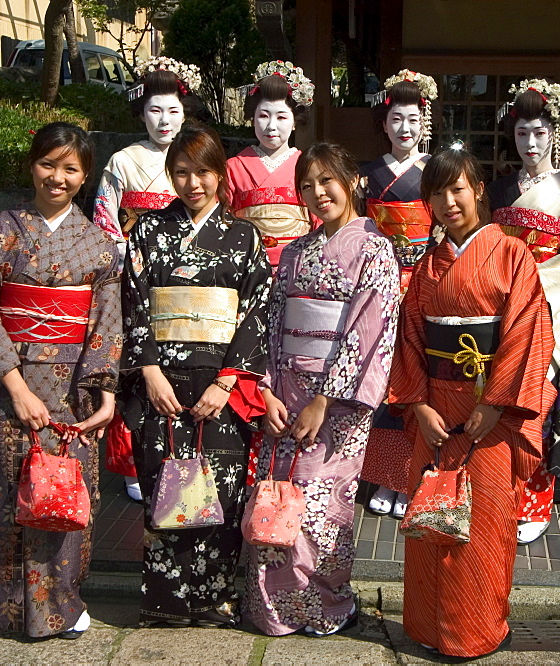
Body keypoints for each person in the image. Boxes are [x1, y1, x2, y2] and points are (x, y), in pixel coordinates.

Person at [0, 122, 122, 639]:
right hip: (12, 389)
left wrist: (107, 392)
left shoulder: (98, 246)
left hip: (73, 390)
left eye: (71, 168)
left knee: (68, 498)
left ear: (86, 175)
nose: (58, 177)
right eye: (48, 164)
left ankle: (62, 604)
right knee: (11, 495)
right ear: (32, 165)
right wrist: (17, 388)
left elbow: (108, 321)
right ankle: (5, 607)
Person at [390, 146, 554, 657]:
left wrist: (497, 404)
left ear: (479, 190)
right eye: (436, 193)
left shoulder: (511, 254)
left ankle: (477, 631)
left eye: (457, 188)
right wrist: (417, 405)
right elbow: (410, 339)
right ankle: (425, 626)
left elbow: (528, 331)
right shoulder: (426, 267)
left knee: (483, 524)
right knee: (429, 521)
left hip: (489, 414)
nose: (448, 201)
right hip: (436, 411)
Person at [244, 142, 400, 636]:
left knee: (321, 506)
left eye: (326, 180)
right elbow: (273, 326)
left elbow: (368, 331)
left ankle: (324, 606)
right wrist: (267, 390)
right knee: (276, 497)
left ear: (352, 180)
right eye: (307, 185)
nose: (317, 192)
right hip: (285, 389)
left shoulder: (375, 248)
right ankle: (273, 611)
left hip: (336, 402)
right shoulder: (294, 251)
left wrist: (323, 399)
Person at [120, 123, 272, 628]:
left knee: (220, 497)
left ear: (221, 174)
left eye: (204, 172)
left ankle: (212, 600)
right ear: (170, 174)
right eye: (181, 172)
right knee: (166, 491)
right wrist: (150, 374)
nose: (193, 183)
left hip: (219, 386)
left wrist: (227, 381)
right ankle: (166, 602)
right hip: (161, 382)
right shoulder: (147, 231)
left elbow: (256, 312)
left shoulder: (244, 236)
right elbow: (133, 305)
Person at [487, 79, 560, 545]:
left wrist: (532, 289)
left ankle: (536, 502)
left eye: (539, 133)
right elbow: (486, 247)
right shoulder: (498, 189)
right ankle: (494, 495)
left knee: (541, 407)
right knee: (495, 401)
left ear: (555, 133)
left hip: (550, 307)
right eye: (522, 134)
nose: (531, 144)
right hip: (501, 306)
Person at [93, 56, 204, 501]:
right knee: (136, 370)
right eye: (156, 110)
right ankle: (131, 464)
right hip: (134, 274)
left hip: (185, 279)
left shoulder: (193, 158)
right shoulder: (123, 161)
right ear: (141, 113)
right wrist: (132, 263)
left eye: (173, 110)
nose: (165, 119)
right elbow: (105, 219)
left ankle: (183, 455)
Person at [358, 69, 438, 520]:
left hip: (425, 284)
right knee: (385, 382)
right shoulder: (367, 175)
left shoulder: (435, 171)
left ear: (423, 122)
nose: (404, 129)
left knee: (420, 382)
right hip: (380, 284)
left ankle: (416, 475)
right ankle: (386, 476)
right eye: (396, 120)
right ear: (384, 124)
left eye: (413, 119)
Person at [228, 60, 317, 270]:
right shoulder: (233, 167)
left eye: (281, 117)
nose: (271, 126)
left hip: (299, 267)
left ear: (295, 122)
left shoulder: (309, 166)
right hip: (246, 267)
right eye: (263, 116)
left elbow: (321, 221)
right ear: (252, 119)